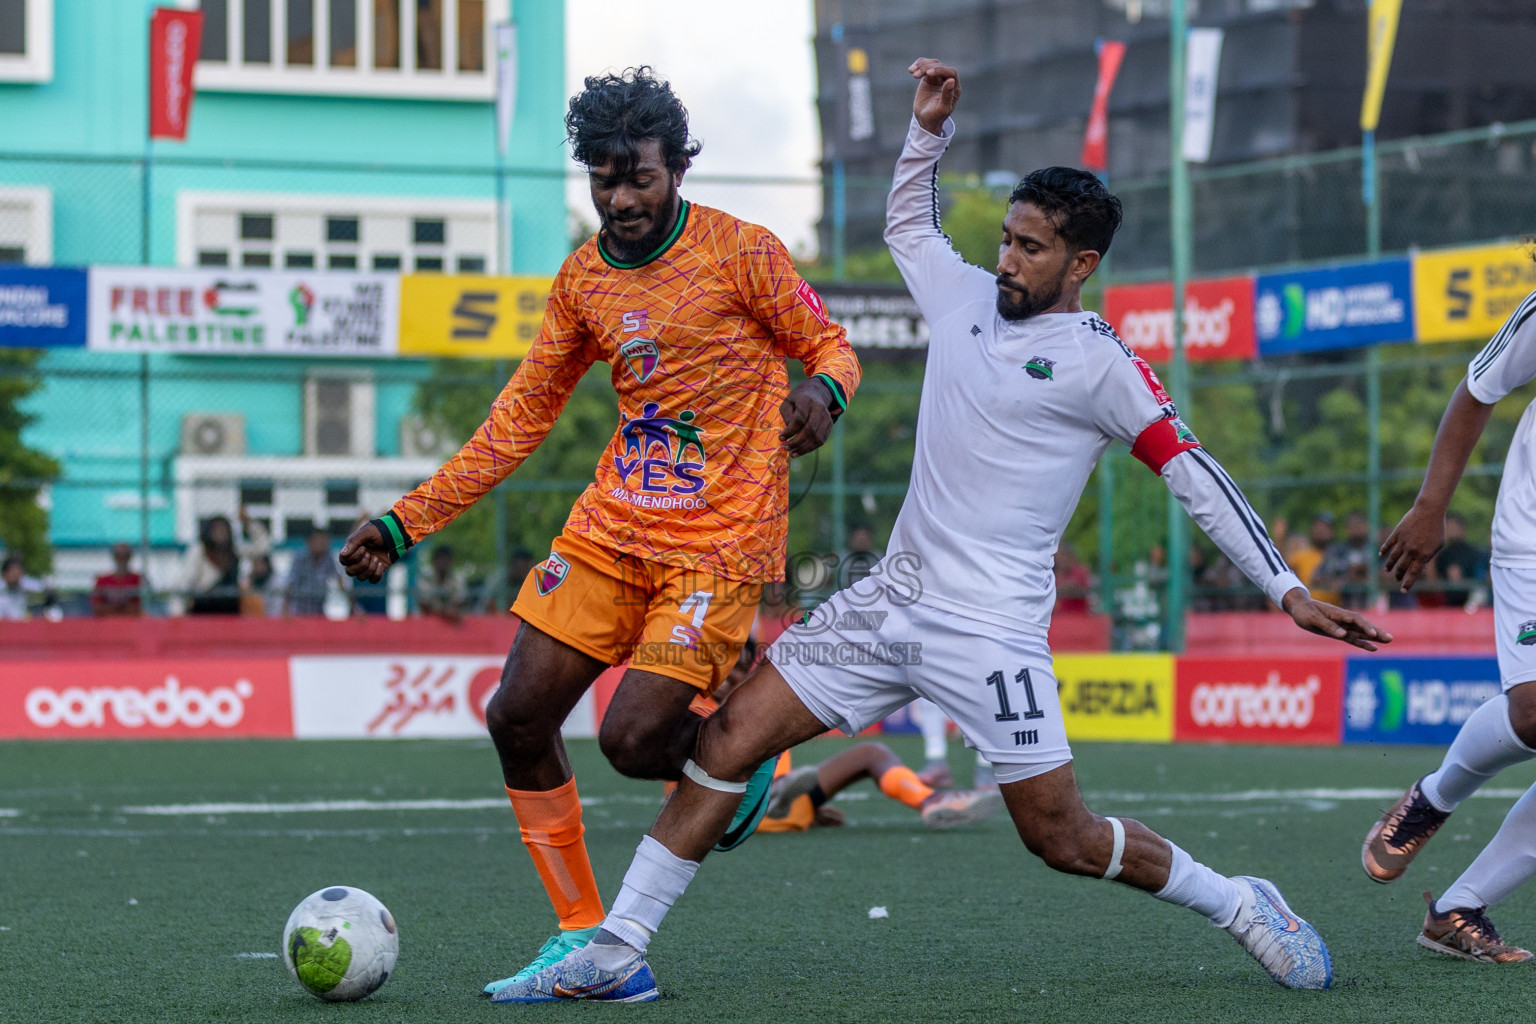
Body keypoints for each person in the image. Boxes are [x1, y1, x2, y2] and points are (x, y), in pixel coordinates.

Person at [495, 59, 1390, 1005]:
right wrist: (929, 130)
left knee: (1062, 838)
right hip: (891, 600)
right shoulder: (962, 298)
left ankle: (1241, 904)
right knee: (723, 747)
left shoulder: (1100, 363)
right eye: (1006, 239)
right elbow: (907, 227)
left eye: (1033, 249)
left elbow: (1193, 474)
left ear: (1081, 265)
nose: (1007, 260)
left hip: (991, 631)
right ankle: (619, 948)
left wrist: (1283, 587)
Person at [336, 67, 861, 995]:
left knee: (630, 741)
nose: (619, 199)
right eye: (602, 179)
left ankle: (741, 751)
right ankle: (580, 930)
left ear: (679, 167)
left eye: (639, 178)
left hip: (721, 540)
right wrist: (403, 521)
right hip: (610, 531)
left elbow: (831, 345)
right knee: (517, 715)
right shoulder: (582, 279)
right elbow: (519, 418)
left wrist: (824, 391)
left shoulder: (743, 254)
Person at [1364, 278, 1536, 964]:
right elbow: (1477, 391)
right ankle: (1433, 798)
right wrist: (1431, 505)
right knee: (1533, 712)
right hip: (1534, 538)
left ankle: (1458, 909)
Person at [174, 510, 269, 616]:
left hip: (230, 608)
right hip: (204, 607)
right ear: (209, 532)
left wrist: (248, 523)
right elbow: (184, 582)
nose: (221, 534)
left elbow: (262, 546)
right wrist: (178, 612)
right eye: (217, 530)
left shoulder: (234, 551)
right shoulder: (200, 551)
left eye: (224, 530)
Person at [284, 528, 350, 618]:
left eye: (325, 540)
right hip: (300, 610)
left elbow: (338, 580)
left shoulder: (328, 558)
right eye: (319, 540)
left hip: (318, 610)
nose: (323, 543)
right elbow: (291, 583)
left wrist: (354, 607)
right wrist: (285, 609)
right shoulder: (300, 558)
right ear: (309, 542)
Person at [1314, 510, 1372, 609]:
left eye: (1359, 525)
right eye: (1352, 526)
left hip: (1374, 606)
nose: (1355, 529)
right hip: (1343, 606)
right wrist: (1344, 579)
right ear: (1346, 529)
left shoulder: (1376, 550)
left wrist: (1364, 573)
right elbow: (1317, 577)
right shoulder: (1337, 551)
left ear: (1366, 526)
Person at [1435, 511, 1486, 609]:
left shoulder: (1475, 553)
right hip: (1448, 605)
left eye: (1452, 526)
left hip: (1473, 604)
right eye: (1447, 527)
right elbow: (1434, 582)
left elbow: (1481, 578)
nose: (1449, 530)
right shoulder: (1443, 555)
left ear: (1462, 527)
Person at [415, 545, 470, 623]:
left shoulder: (458, 578)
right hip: (430, 621)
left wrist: (450, 610)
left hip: (453, 621)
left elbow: (461, 601)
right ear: (433, 561)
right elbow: (424, 603)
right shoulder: (426, 578)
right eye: (439, 559)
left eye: (445, 559)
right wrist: (444, 612)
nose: (442, 562)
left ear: (451, 560)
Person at [91, 543, 142, 617]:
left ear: (129, 557)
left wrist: (113, 609)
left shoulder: (139, 580)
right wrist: (123, 609)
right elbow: (98, 608)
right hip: (107, 624)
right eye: (118, 556)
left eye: (125, 556)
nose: (122, 559)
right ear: (114, 557)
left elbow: (140, 608)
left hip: (132, 623)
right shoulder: (102, 581)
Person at [0, 555, 49, 621]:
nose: (16, 575)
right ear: (4, 574)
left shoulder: (25, 585)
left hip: (23, 625)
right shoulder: (2, 589)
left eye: (18, 572)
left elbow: (41, 587)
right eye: (13, 572)